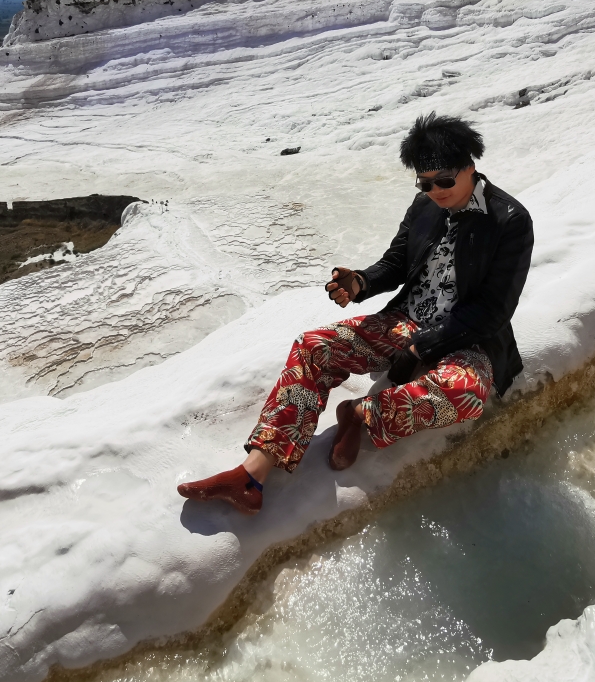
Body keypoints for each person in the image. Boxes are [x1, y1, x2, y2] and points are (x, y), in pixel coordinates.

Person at [178, 112, 534, 515]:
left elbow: (494, 309)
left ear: (470, 166)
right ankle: (252, 473)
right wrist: (361, 282)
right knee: (313, 347)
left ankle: (362, 413)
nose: (435, 190)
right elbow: (398, 262)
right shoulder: (424, 207)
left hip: (468, 339)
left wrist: (421, 348)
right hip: (404, 321)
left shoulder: (510, 221)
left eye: (445, 180)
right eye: (425, 181)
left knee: (464, 393)